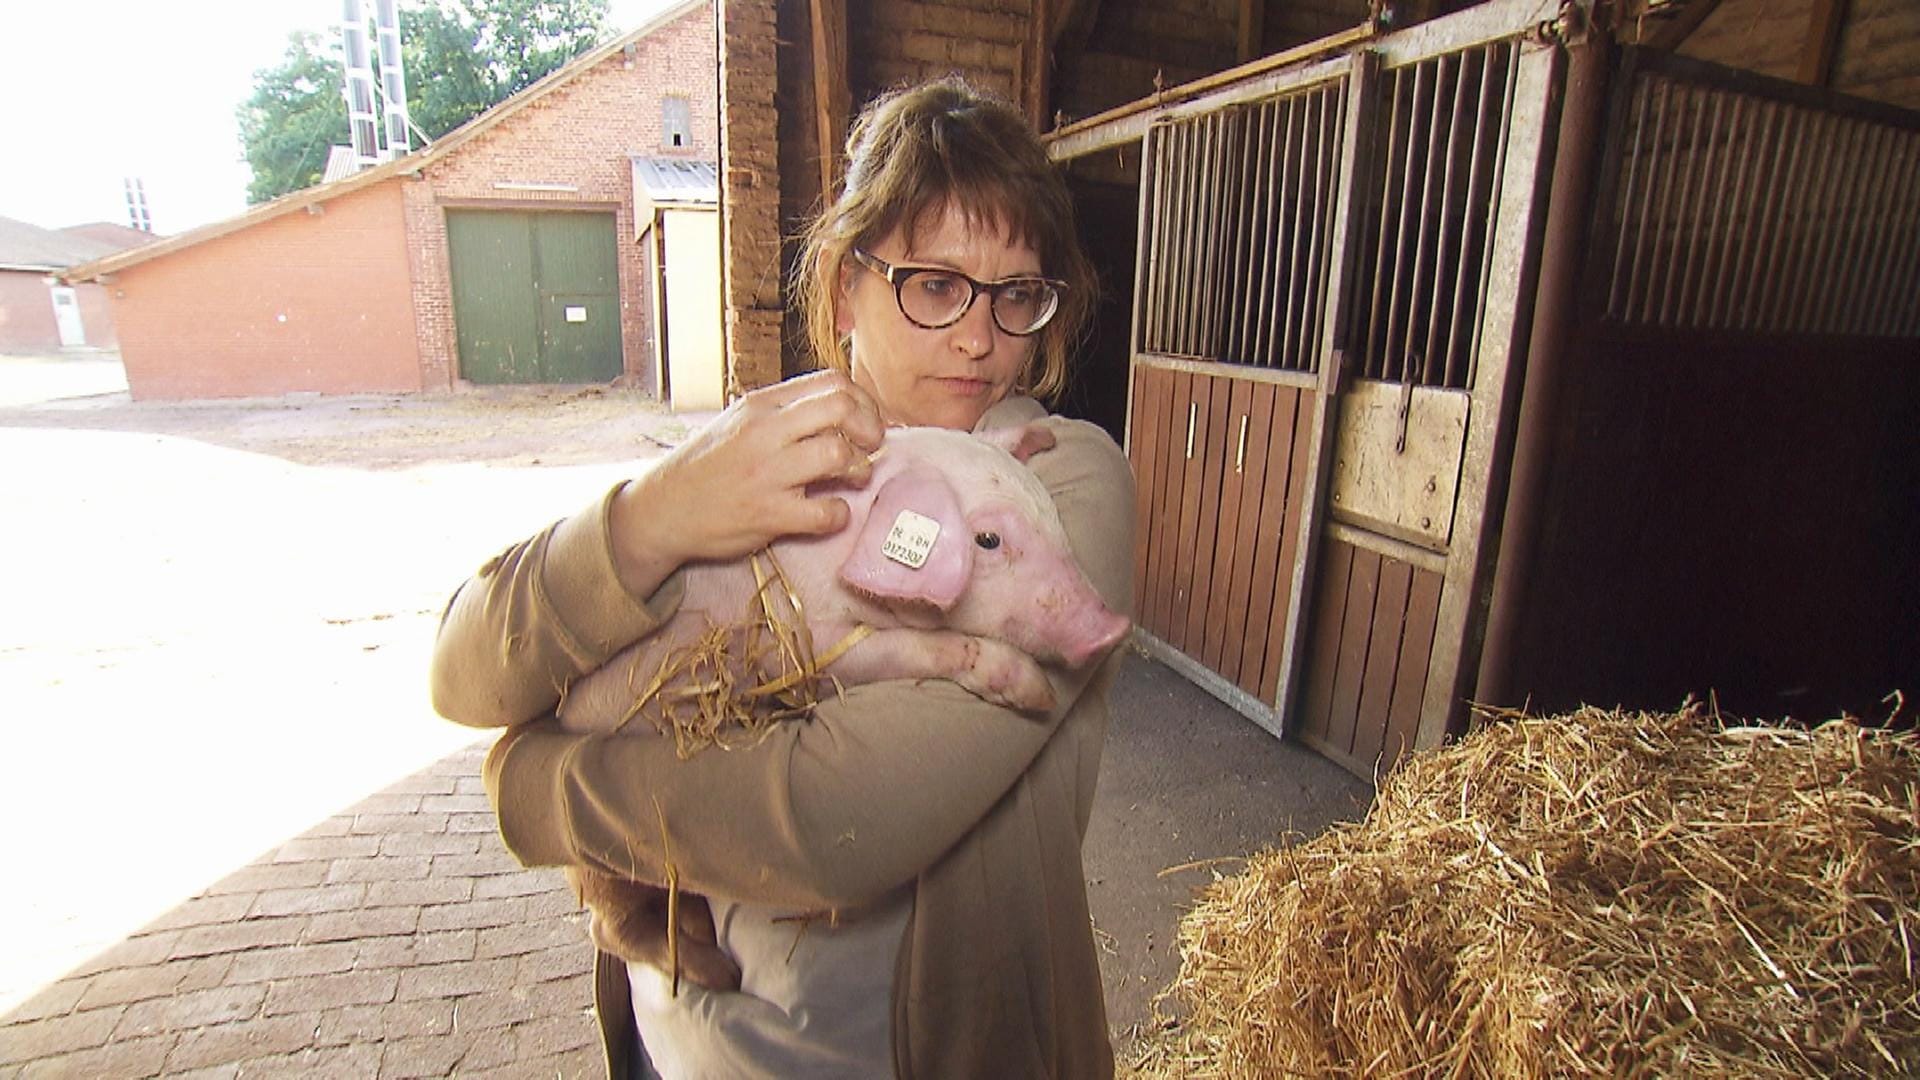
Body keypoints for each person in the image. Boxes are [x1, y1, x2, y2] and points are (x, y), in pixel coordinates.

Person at [431, 76, 1135, 1080]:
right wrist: (654, 516)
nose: (980, 336)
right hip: (678, 1047)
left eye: (1017, 293)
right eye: (934, 283)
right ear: (848, 283)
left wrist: (538, 788)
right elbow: (464, 673)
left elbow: (830, 822)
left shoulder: (1057, 482)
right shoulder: (755, 456)